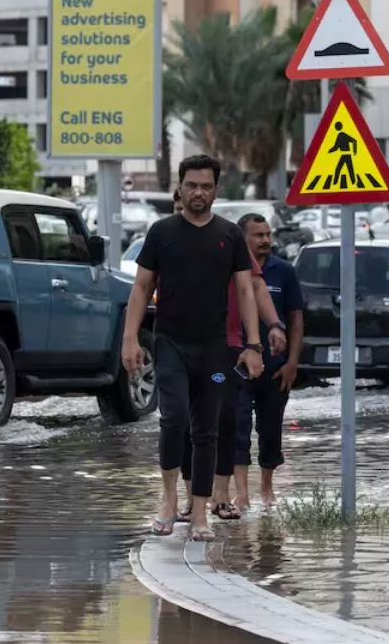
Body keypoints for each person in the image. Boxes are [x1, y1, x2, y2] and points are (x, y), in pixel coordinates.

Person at [122, 154, 264, 542]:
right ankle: (169, 499)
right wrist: (130, 338)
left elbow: (246, 291)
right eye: (191, 185)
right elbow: (141, 288)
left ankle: (200, 512)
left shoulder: (230, 235)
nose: (197, 192)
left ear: (216, 191)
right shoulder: (161, 232)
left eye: (205, 186)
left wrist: (252, 345)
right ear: (179, 188)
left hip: (215, 351)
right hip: (170, 344)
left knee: (206, 429)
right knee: (173, 419)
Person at [231, 213, 303, 509]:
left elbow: (296, 319)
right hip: (238, 366)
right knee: (237, 427)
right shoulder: (232, 271)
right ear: (242, 239)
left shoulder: (284, 271)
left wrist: (292, 363)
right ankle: (242, 493)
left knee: (270, 430)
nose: (265, 241)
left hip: (275, 369)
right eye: (257, 235)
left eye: (267, 235)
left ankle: (267, 489)